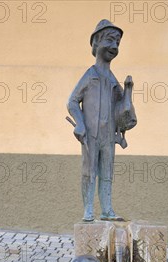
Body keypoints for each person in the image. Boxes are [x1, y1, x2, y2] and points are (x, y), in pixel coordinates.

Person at [67, 19, 137, 222]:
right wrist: (79, 123)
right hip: (91, 134)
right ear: (97, 43)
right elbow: (72, 102)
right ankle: (88, 209)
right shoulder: (90, 75)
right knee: (89, 171)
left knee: (107, 172)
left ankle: (107, 209)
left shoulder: (114, 80)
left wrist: (129, 90)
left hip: (109, 135)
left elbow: (124, 111)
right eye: (110, 40)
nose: (114, 46)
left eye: (117, 42)